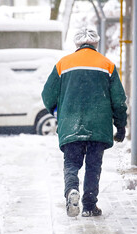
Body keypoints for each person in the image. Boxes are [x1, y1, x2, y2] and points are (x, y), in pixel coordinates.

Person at [41, 27, 127, 217]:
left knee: (71, 163)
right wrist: (120, 125)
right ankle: (89, 205)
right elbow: (119, 100)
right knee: (93, 166)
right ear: (95, 43)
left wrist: (57, 111)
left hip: (71, 124)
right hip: (98, 125)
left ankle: (72, 190)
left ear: (76, 44)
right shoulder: (107, 65)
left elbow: (47, 95)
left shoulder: (63, 64)